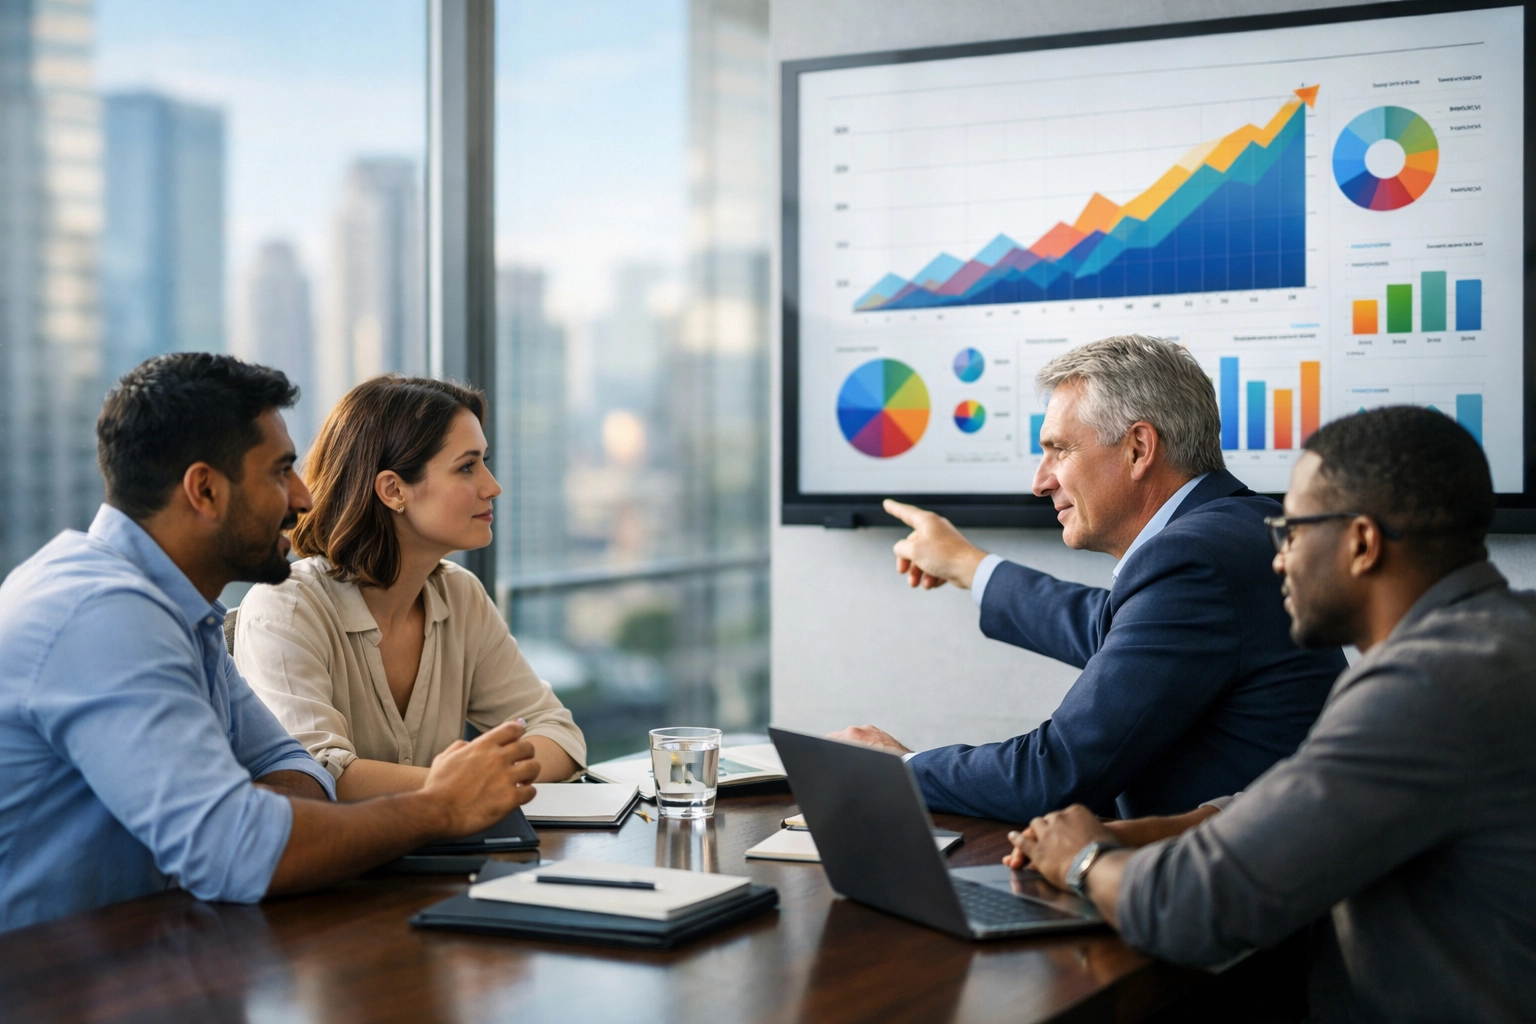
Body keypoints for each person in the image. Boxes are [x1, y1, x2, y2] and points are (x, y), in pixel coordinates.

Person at [1010, 406, 1536, 1023]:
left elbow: (1198, 911)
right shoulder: (1502, 639)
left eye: (1291, 531)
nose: (1278, 559)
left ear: (1361, 544)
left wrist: (1083, 859)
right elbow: (1342, 799)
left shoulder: (1423, 688)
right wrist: (1167, 829)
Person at [0, 354, 541, 931]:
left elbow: (291, 766)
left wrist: (259, 818)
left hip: (144, 957)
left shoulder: (181, 613)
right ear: (204, 490)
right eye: (279, 472)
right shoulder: (103, 616)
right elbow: (238, 851)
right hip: (47, 984)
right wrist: (436, 807)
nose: (304, 497)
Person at [833, 335, 1344, 822]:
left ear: (1139, 448)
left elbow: (1053, 774)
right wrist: (970, 566)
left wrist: (899, 768)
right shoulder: (1237, 526)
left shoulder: (1194, 559)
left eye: (1060, 449)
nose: (1040, 481)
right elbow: (1111, 627)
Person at [235, 375, 584, 799]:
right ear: (393, 489)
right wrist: (463, 783)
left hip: (447, 859)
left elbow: (559, 735)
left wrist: (471, 780)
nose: (493, 487)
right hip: (343, 866)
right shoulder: (286, 608)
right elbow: (314, 778)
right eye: (467, 467)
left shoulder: (461, 596)